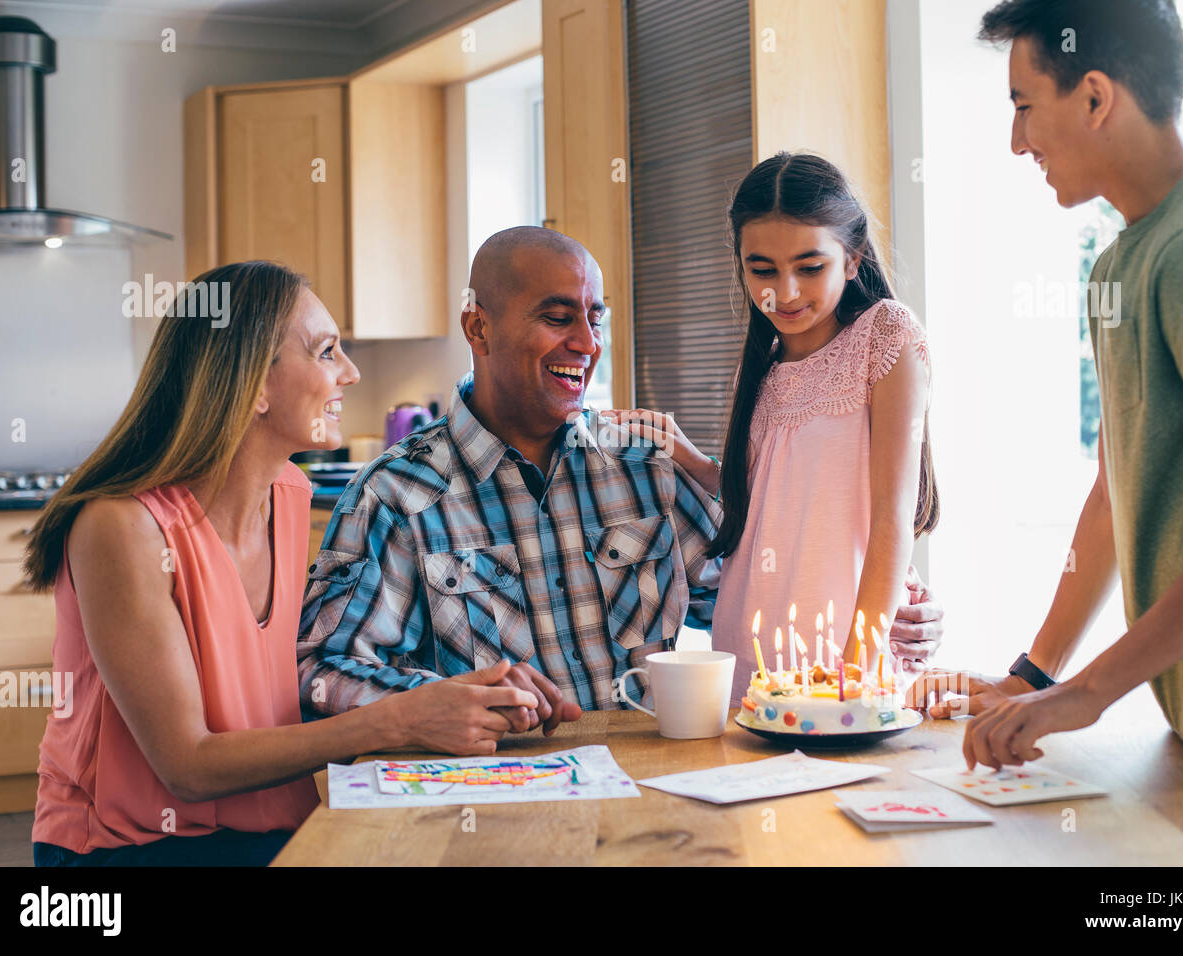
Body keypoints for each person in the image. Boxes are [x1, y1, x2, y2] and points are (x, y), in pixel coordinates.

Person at [298, 226, 946, 723]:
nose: (587, 342)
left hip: (651, 782)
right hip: (493, 797)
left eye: (595, 317)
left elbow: (760, 589)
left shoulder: (645, 467)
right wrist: (444, 700)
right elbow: (323, 671)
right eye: (558, 318)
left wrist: (879, 614)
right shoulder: (396, 493)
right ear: (479, 328)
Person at [23, 261, 539, 867]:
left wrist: (446, 695)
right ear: (254, 386)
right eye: (326, 352)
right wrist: (396, 721)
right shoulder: (123, 527)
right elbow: (186, 766)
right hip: (129, 847)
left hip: (269, 825)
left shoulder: (290, 495)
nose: (350, 372)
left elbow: (299, 681)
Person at [908, 0, 1183, 779]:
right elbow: (1115, 494)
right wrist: (1035, 679)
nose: (1016, 142)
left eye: (1023, 108)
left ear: (1097, 98)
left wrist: (1087, 695)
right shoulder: (1115, 268)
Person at [607, 153, 942, 701]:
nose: (784, 293)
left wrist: (856, 669)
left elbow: (892, 517)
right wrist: (687, 456)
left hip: (844, 649)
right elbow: (762, 502)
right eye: (762, 270)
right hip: (750, 632)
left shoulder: (887, 335)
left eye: (810, 268)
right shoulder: (759, 364)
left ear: (852, 259)